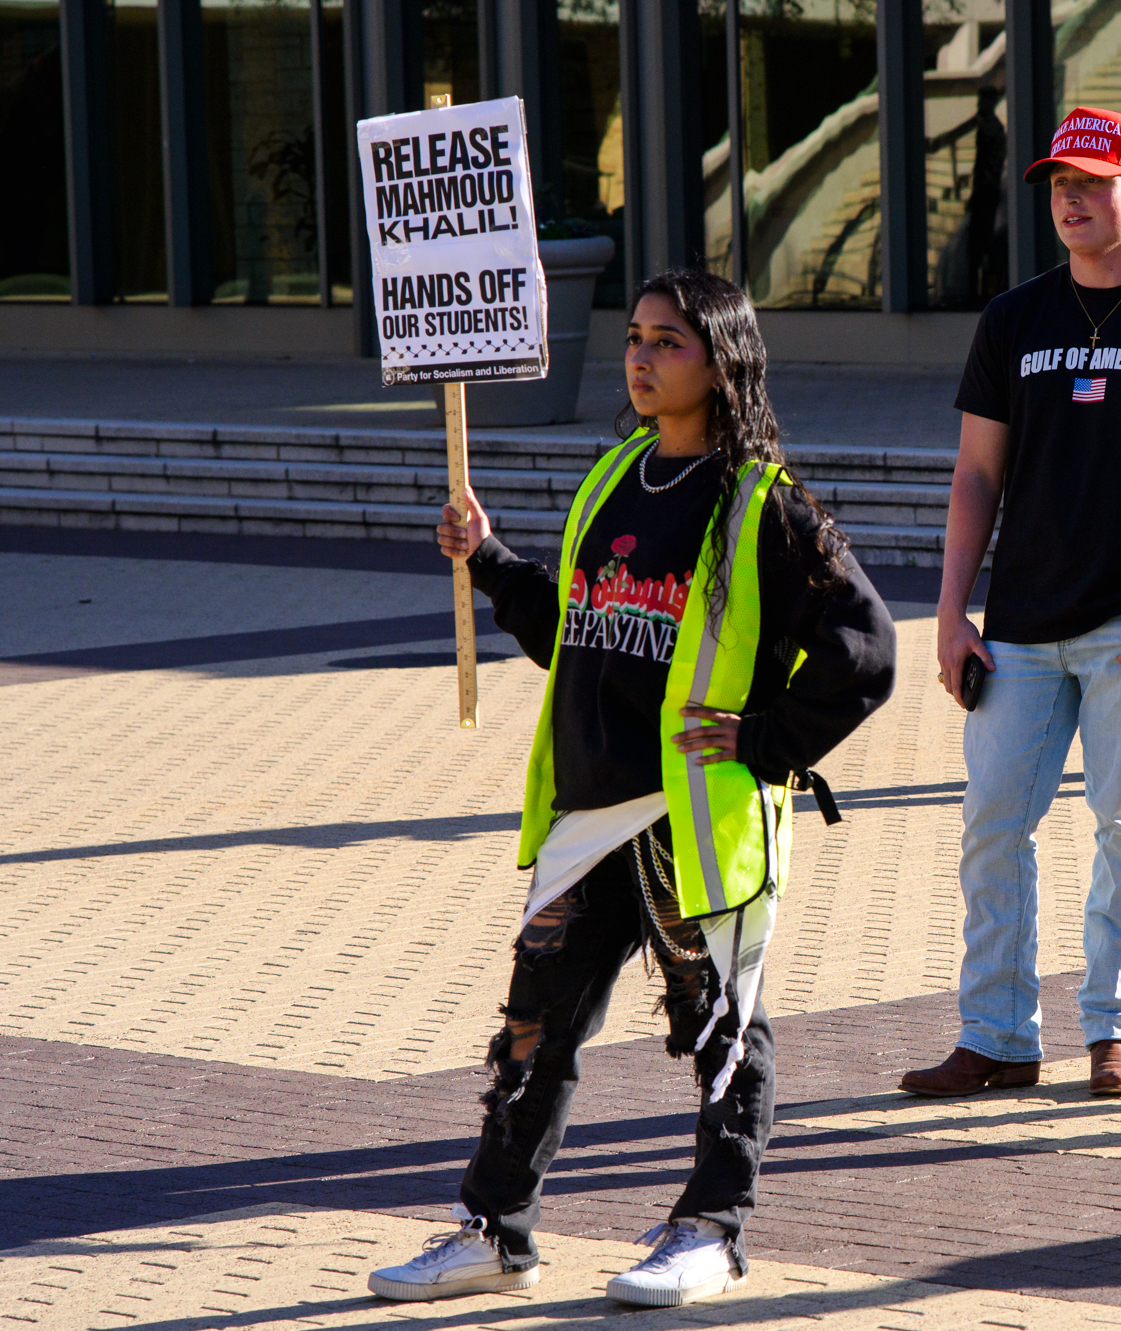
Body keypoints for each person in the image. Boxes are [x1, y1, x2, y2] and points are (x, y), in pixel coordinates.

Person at [366, 270, 896, 1308]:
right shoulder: (612, 476)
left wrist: (764, 737)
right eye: (636, 339)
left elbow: (864, 650)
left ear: (723, 361)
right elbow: (574, 629)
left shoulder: (763, 506)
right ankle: (493, 1229)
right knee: (531, 1027)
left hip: (692, 823)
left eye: (671, 342)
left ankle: (709, 1227)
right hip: (587, 813)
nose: (643, 359)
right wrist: (488, 559)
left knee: (717, 1025)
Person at [901, 107, 1121, 1100]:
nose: (1068, 199)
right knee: (990, 828)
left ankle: (1115, 1030)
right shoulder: (1014, 320)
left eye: (1091, 183)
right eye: (1057, 184)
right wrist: (949, 611)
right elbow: (976, 473)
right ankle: (997, 1036)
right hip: (1018, 624)